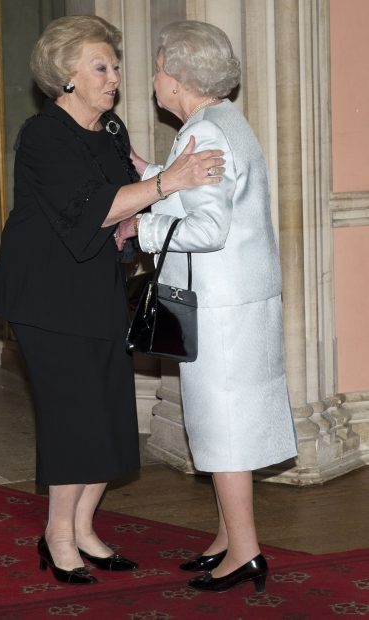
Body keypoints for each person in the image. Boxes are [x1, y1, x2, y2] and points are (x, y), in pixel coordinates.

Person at [0, 15, 225, 586]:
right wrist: (172, 183)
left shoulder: (110, 129)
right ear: (66, 77)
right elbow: (95, 206)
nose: (114, 77)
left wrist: (159, 193)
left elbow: (130, 196)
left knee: (110, 415)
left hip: (94, 289)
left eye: (115, 66)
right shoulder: (44, 136)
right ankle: (57, 536)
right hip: (45, 297)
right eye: (100, 67)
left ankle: (86, 528)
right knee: (75, 419)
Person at [117, 20, 298, 594]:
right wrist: (152, 173)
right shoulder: (221, 121)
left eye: (157, 66)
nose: (151, 79)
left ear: (177, 74)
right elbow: (206, 197)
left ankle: (245, 553)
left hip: (221, 309)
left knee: (223, 430)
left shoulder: (207, 133)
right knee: (229, 425)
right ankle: (226, 538)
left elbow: (210, 227)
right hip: (238, 300)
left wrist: (140, 227)